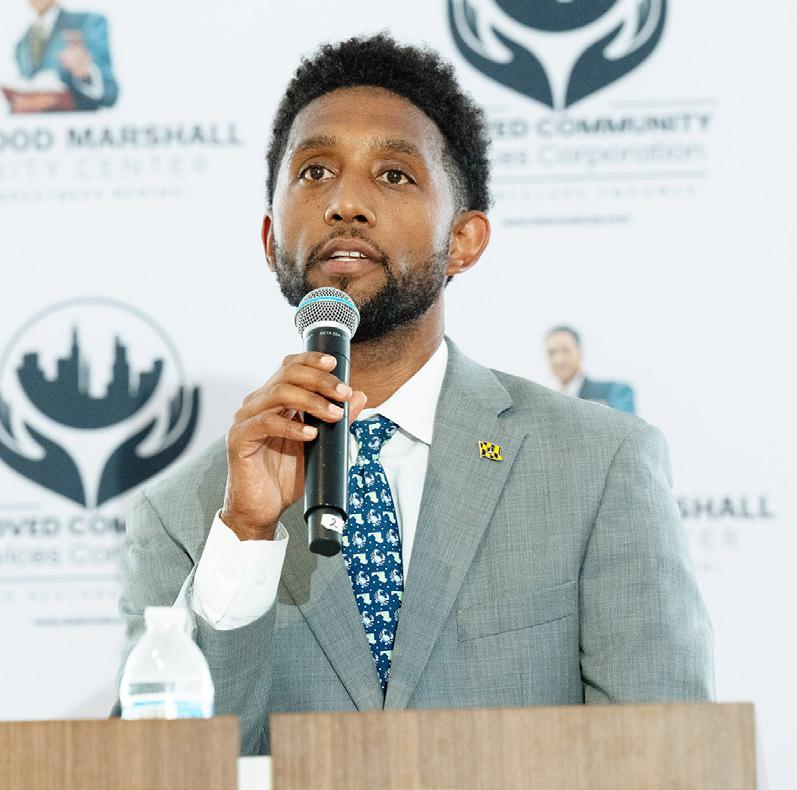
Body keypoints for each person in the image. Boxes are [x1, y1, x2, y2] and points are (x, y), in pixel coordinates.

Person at [115, 35, 713, 755]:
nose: (345, 204)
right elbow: (153, 768)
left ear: (463, 240)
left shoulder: (596, 464)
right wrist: (245, 534)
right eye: (314, 172)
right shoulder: (186, 513)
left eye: (393, 175)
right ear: (271, 239)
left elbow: (667, 754)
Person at [11, 0, 118, 112]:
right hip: (37, 121)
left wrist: (86, 75)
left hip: (77, 119)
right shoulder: (22, 43)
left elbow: (109, 91)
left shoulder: (87, 21)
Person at [547, 325, 636, 414]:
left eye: (566, 350)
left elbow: (623, 422)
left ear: (580, 353)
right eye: (552, 353)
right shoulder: (548, 403)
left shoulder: (615, 391)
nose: (559, 360)